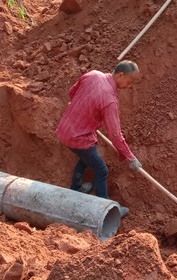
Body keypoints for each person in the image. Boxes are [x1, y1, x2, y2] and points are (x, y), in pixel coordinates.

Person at [56, 61, 143, 218]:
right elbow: (115, 135)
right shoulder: (109, 100)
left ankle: (76, 188)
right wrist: (130, 157)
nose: (129, 86)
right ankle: (106, 210)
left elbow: (72, 92)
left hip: (64, 129)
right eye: (129, 82)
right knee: (101, 170)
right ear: (121, 75)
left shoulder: (93, 74)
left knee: (85, 157)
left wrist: (83, 110)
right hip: (78, 138)